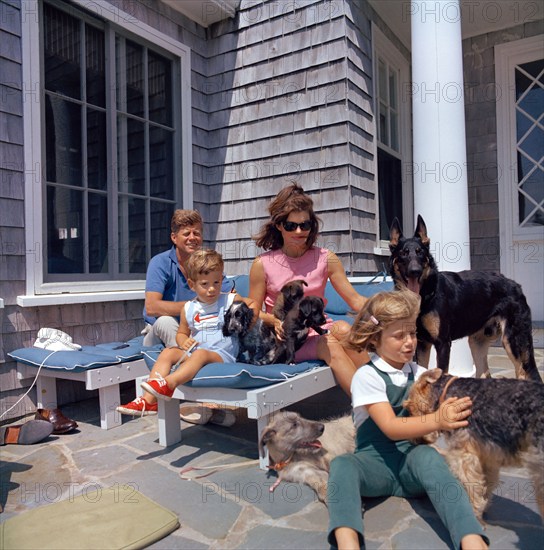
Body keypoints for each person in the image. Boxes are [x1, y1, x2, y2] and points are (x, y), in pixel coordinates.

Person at [327, 290, 489, 550]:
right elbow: (390, 427)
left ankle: (471, 538)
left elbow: (452, 389)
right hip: (374, 465)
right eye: (399, 336)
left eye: (412, 333)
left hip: (411, 464)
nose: (409, 342)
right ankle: (348, 543)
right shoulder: (367, 377)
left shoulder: (420, 373)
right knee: (342, 466)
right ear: (375, 339)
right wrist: (438, 420)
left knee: (430, 458)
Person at [249, 182, 369, 394]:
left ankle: (384, 394)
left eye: (305, 225)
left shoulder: (326, 259)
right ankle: (372, 409)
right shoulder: (262, 264)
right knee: (329, 343)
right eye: (291, 226)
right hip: (286, 340)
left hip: (318, 329)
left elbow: (356, 301)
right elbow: (253, 312)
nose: (299, 231)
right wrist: (274, 321)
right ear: (279, 225)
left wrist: (392, 311)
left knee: (343, 329)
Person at [140, 250, 260, 404]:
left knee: (201, 354)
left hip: (222, 354)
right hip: (196, 352)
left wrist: (249, 323)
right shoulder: (189, 308)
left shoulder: (229, 300)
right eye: (205, 284)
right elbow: (182, 332)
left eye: (216, 282)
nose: (212, 289)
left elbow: (253, 304)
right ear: (192, 284)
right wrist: (183, 341)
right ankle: (148, 401)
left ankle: (168, 384)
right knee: (167, 353)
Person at [142, 209, 231, 348]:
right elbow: (152, 307)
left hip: (197, 329)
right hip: (158, 332)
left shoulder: (207, 264)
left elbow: (229, 296)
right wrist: (197, 306)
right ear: (174, 237)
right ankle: (185, 363)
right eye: (186, 233)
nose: (192, 237)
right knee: (166, 321)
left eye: (196, 233)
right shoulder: (160, 262)